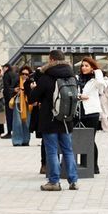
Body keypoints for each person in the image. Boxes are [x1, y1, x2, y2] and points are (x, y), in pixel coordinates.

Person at [30, 50, 79, 191]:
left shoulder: (46, 77)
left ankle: (54, 182)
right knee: (68, 150)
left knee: (51, 151)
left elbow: (33, 98)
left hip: (49, 119)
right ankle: (73, 180)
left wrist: (34, 86)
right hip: (66, 119)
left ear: (51, 60)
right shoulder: (72, 76)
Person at [77, 56, 102, 174]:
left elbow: (101, 83)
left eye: (87, 65)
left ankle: (94, 166)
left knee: (90, 139)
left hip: (92, 112)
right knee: (81, 139)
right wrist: (79, 96)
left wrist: (96, 70)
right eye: (82, 65)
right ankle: (84, 164)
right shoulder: (77, 78)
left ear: (92, 67)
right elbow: (75, 93)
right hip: (80, 112)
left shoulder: (95, 80)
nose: (83, 68)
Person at [8, 65, 34, 148]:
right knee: (17, 122)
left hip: (28, 104)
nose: (25, 75)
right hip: (18, 103)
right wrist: (15, 90)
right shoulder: (16, 80)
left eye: (27, 74)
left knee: (27, 122)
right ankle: (17, 141)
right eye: (23, 73)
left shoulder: (31, 81)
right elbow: (9, 89)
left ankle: (26, 140)